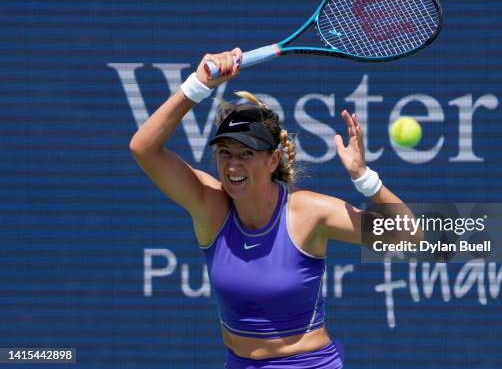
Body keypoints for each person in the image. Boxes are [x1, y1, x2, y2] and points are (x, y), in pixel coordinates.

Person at [129, 48, 421, 368]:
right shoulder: (209, 204)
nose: (233, 164)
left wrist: (365, 179)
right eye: (225, 152)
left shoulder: (307, 213)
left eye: (246, 153)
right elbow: (143, 147)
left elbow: (411, 239)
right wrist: (198, 84)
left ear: (272, 160)